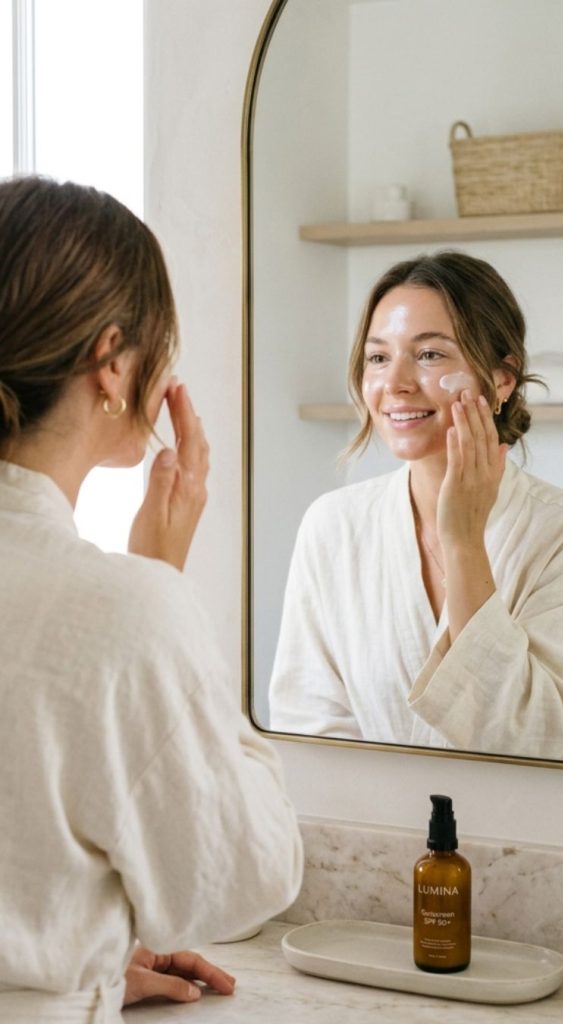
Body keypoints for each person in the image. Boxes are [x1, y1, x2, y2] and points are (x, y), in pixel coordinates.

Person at [0, 176, 303, 1021]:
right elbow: (244, 876)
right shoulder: (120, 607)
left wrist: (78, 949)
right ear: (111, 362)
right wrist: (162, 583)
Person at [269, 251, 563, 760]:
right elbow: (310, 729)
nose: (396, 384)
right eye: (378, 357)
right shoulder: (334, 526)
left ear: (501, 379)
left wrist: (463, 542)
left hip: (531, 829)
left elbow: (533, 742)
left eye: (430, 355)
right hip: (377, 829)